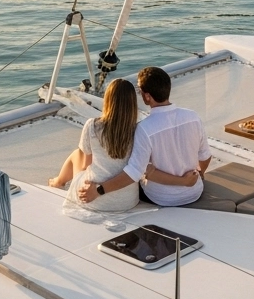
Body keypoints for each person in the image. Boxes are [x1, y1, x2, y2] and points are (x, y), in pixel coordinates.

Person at [78, 66, 210, 207]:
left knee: (146, 171)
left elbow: (133, 173)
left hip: (160, 198)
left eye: (140, 89)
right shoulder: (192, 117)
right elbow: (205, 157)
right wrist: (198, 174)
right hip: (194, 191)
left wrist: (99, 190)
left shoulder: (144, 129)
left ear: (147, 96)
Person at [47, 78, 141, 212]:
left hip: (95, 198)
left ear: (108, 101)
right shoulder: (139, 130)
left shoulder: (93, 126)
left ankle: (58, 182)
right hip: (128, 201)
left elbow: (86, 164)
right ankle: (58, 181)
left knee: (76, 155)